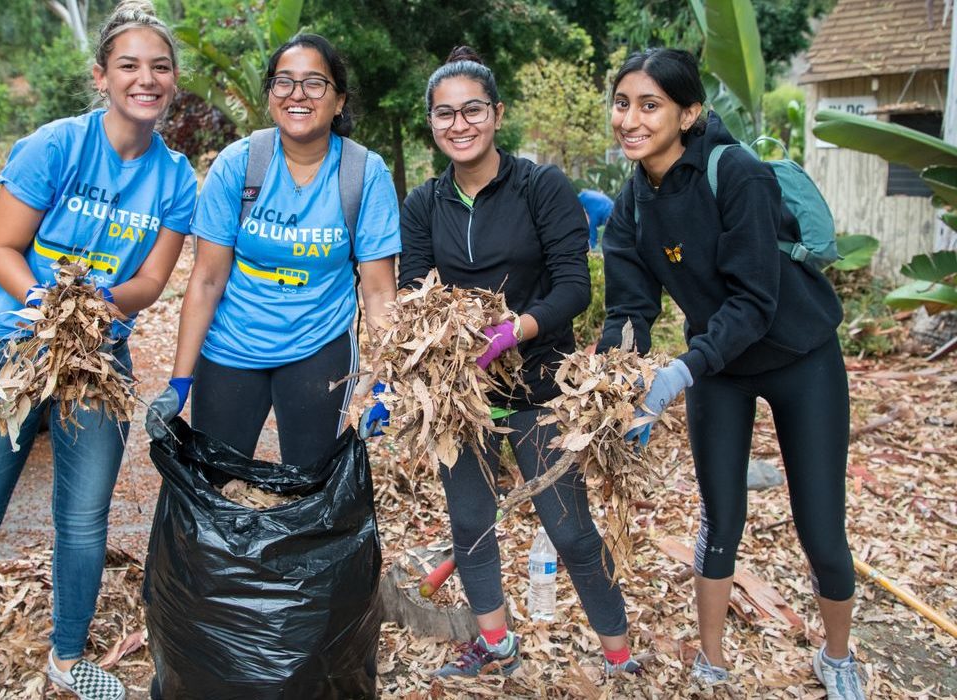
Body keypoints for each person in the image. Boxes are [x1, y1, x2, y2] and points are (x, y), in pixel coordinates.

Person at [0, 4, 197, 699]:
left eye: (159, 66)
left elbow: (152, 281)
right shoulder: (55, 147)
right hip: (13, 350)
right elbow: (2, 247)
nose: (145, 78)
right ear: (101, 75)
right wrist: (43, 302)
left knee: (83, 517)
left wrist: (99, 308)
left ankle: (66, 657)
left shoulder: (176, 178)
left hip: (98, 362)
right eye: (129, 65)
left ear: (173, 81)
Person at [596, 48, 862, 699]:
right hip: (720, 368)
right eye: (622, 103)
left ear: (688, 113)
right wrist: (609, 380)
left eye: (649, 104)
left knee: (822, 527)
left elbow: (754, 301)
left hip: (800, 355)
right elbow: (629, 311)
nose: (629, 119)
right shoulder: (630, 205)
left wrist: (681, 372)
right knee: (721, 517)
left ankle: (838, 656)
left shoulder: (735, 172)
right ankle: (711, 662)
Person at [394, 46, 640, 680]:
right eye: (444, 114)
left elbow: (574, 287)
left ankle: (619, 658)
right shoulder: (425, 203)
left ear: (497, 114)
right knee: (471, 523)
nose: (459, 124)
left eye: (472, 109)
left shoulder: (540, 186)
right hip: (459, 392)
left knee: (572, 532)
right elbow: (416, 288)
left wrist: (515, 330)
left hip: (538, 383)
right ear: (432, 122)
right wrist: (435, 356)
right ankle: (495, 645)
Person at [146, 34, 399, 467]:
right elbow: (207, 280)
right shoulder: (239, 164)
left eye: (314, 83)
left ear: (338, 101)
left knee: (312, 490)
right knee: (212, 487)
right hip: (232, 345)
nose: (297, 94)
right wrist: (179, 380)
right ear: (270, 96)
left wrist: (387, 381)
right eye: (284, 82)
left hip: (320, 345)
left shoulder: (363, 172)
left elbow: (377, 292)